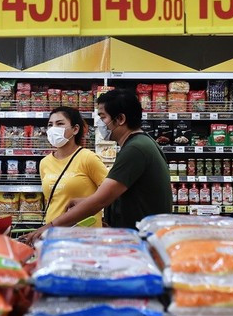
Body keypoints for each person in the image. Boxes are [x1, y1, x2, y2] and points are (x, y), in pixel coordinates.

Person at [26, 89, 172, 240]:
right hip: (144, 236)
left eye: (103, 117)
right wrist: (89, 205)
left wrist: (50, 227)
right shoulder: (141, 143)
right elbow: (118, 195)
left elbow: (101, 200)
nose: (100, 124)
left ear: (120, 119)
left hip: (144, 239)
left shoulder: (135, 149)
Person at [39, 106, 109, 227]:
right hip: (53, 233)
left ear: (75, 129)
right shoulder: (44, 163)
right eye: (50, 125)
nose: (53, 128)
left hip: (83, 234)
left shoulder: (88, 158)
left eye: (60, 123)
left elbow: (110, 195)